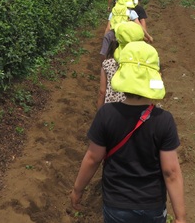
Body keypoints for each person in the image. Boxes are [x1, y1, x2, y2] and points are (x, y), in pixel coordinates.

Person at [70, 41, 187, 223]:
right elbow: (171, 172)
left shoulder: (106, 114)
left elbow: (93, 158)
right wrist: (180, 217)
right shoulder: (164, 120)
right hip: (152, 205)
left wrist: (78, 190)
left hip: (116, 205)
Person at [97, 22, 144, 109]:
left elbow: (102, 92)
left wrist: (100, 113)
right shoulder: (144, 63)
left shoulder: (107, 63)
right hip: (137, 109)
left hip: (112, 109)